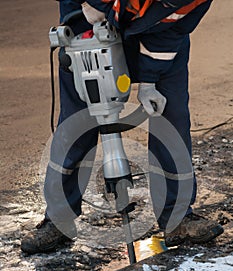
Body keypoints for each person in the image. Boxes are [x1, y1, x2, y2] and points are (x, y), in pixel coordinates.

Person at [21, 0, 224, 254]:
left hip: (159, 35)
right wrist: (92, 4)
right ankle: (58, 219)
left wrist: (150, 79)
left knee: (171, 114)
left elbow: (174, 28)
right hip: (87, 20)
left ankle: (177, 216)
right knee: (77, 119)